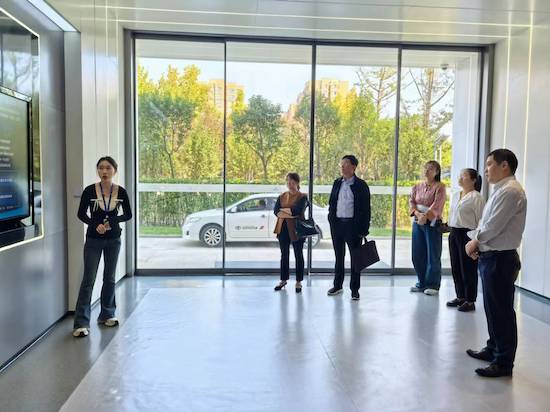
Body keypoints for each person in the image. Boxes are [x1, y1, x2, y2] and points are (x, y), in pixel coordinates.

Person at [465, 149, 527, 378]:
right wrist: (479, 246)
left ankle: (503, 362)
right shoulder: (501, 190)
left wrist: (475, 242)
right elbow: (486, 222)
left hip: (501, 259)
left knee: (501, 310)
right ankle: (493, 349)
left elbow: (493, 226)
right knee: (492, 308)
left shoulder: (510, 191)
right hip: (492, 257)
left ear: (505, 165)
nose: (486, 169)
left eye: (490, 164)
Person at [73, 156, 132, 338]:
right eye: (101, 168)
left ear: (115, 170)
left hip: (114, 240)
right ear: (98, 170)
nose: (104, 171)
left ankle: (107, 314)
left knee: (110, 278)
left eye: (108, 168)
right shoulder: (90, 191)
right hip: (93, 240)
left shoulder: (120, 191)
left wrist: (114, 220)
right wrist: (94, 224)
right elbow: (81, 214)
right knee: (88, 279)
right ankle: (81, 322)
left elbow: (128, 214)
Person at [327, 155, 371, 300]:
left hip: (353, 226)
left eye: (345, 164)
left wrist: (364, 229)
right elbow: (332, 203)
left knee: (355, 259)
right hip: (337, 225)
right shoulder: (337, 183)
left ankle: (355, 289)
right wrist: (331, 219)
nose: (342, 167)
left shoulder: (361, 185)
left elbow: (366, 209)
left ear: (353, 167)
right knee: (338, 257)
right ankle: (337, 285)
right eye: (341, 164)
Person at [446, 169, 485, 312]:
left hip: (467, 234)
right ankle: (460, 296)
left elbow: (481, 220)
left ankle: (470, 300)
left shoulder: (477, 197)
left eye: (464, 176)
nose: (460, 178)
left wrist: (476, 240)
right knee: (456, 266)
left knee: (468, 268)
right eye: (460, 175)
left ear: (473, 180)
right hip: (454, 233)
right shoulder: (456, 195)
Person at [409, 160, 447, 296]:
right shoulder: (417, 186)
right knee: (417, 253)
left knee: (433, 254)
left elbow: (437, 204)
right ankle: (422, 282)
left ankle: (433, 284)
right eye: (425, 168)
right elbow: (412, 202)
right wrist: (418, 214)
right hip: (417, 221)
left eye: (430, 168)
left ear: (436, 172)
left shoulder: (440, 187)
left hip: (432, 223)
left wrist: (426, 216)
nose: (426, 170)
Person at [273, 173, 308, 293]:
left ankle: (298, 281)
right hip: (282, 228)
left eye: (292, 181)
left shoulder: (302, 196)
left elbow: (297, 210)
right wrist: (288, 212)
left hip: (297, 229)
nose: (289, 184)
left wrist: (284, 212)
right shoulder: (282, 196)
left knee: (298, 255)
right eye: (288, 181)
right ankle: (283, 280)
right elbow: (276, 211)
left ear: (297, 183)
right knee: (284, 255)